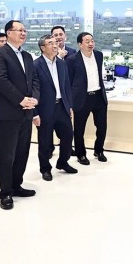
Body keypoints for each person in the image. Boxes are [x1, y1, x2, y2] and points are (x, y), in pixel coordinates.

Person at [0, 20, 39, 210]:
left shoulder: (27, 56)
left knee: (22, 153)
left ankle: (17, 185)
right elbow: (1, 81)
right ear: (9, 33)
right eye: (19, 30)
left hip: (26, 113)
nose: (23, 33)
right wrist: (21, 99)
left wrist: (34, 99)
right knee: (6, 156)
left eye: (25, 30)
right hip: (6, 114)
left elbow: (34, 80)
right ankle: (5, 192)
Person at [33, 35, 77, 181]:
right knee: (45, 141)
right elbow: (31, 90)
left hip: (62, 107)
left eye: (55, 43)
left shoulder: (61, 64)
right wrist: (34, 113)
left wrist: (69, 105)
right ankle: (45, 169)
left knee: (68, 136)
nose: (55, 45)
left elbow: (66, 86)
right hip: (45, 109)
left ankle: (63, 162)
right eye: (50, 43)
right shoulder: (35, 65)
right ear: (42, 47)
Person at [67, 32, 108, 165]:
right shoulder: (72, 60)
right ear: (80, 44)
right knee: (79, 129)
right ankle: (81, 154)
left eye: (92, 41)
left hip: (99, 97)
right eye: (87, 41)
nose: (91, 44)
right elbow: (69, 82)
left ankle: (99, 150)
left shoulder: (99, 55)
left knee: (102, 126)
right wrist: (70, 102)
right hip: (82, 98)